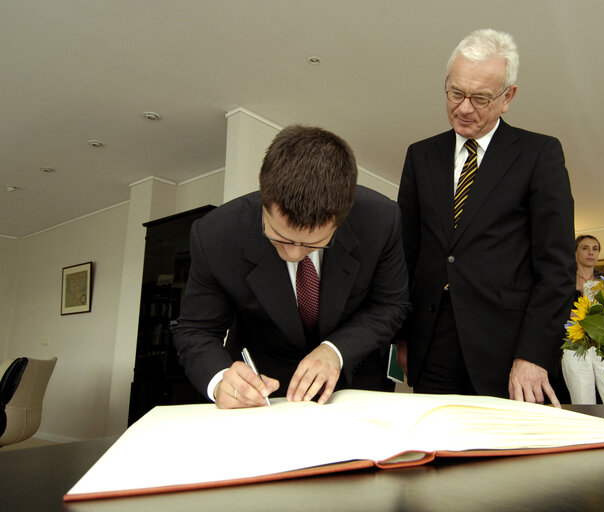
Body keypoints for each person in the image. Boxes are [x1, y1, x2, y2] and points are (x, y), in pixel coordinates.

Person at [173, 125, 410, 408]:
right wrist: (220, 379)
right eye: (279, 237)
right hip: (264, 390)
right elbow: (196, 329)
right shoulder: (217, 234)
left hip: (356, 383)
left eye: (315, 244)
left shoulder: (380, 221)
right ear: (263, 186)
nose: (294, 255)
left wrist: (336, 350)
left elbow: (391, 305)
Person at [396, 29, 575, 405]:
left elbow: (556, 266)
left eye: (480, 98)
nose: (463, 108)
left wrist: (533, 354)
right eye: (455, 93)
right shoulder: (420, 156)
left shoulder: (539, 154)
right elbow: (407, 255)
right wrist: (404, 336)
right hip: (433, 343)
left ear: (508, 97)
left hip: (509, 347)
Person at [561, 235, 604, 404]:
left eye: (595, 248)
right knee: (583, 402)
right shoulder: (564, 282)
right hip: (575, 346)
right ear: (575, 252)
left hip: (603, 346)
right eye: (585, 248)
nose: (591, 252)